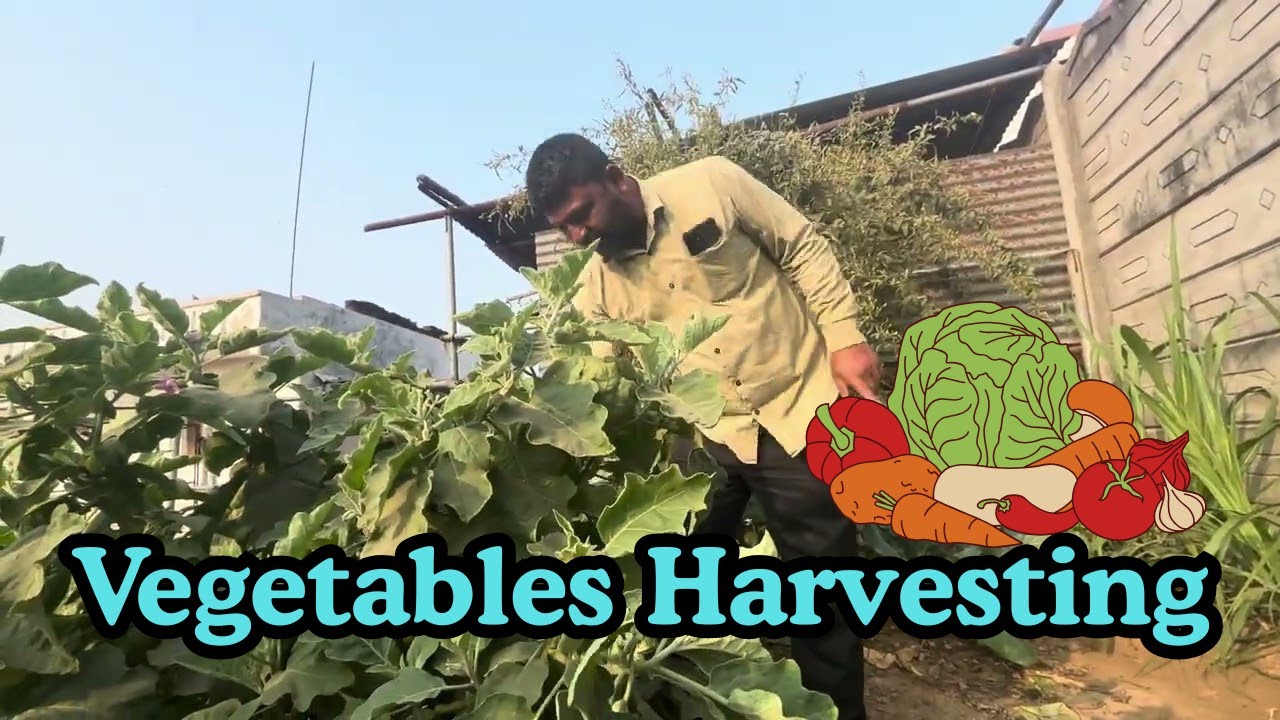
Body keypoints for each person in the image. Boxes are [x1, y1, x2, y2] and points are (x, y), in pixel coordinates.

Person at [524, 133, 880, 720]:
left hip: (796, 408)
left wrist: (845, 337)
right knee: (684, 578)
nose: (578, 236)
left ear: (615, 178)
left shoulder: (711, 182)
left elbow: (800, 245)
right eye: (564, 228)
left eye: (582, 214)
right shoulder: (595, 283)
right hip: (703, 438)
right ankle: (702, 695)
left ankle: (835, 713)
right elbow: (598, 373)